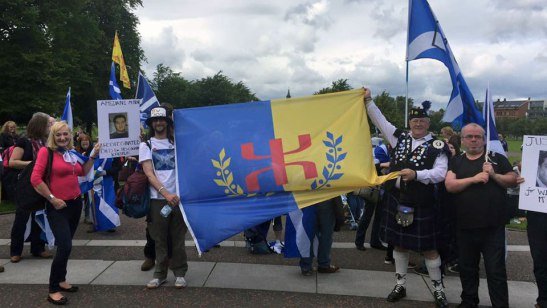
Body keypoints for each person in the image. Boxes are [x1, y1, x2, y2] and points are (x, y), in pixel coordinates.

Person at [364, 88, 450, 307]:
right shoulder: (399, 138)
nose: (417, 124)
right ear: (409, 122)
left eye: (422, 120)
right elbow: (380, 121)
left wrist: (417, 175)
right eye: (414, 120)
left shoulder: (437, 146)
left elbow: (440, 173)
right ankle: (400, 285)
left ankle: (438, 289)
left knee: (430, 248)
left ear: (428, 123)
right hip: (398, 200)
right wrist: (368, 100)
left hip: (423, 203)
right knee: (399, 246)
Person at [445, 123, 517, 308]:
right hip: (464, 225)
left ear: (484, 139)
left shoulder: (497, 159)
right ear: (462, 140)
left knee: (495, 271)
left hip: (492, 227)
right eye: (469, 136)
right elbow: (450, 186)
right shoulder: (457, 161)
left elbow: (511, 180)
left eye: (478, 136)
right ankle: (469, 301)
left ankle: (500, 304)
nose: (474, 139)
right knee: (467, 269)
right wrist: (474, 179)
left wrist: (493, 175)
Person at [31, 121, 99, 305]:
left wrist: (93, 156)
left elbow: (82, 171)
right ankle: (53, 289)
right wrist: (52, 198)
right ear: (53, 136)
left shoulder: (70, 154)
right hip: (57, 207)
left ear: (70, 135)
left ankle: (61, 280)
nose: (62, 138)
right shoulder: (46, 152)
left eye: (65, 134)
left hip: (75, 204)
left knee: (65, 246)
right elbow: (35, 179)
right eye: (58, 135)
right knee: (65, 245)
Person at [139, 106, 188, 289]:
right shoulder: (146, 145)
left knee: (178, 238)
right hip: (158, 199)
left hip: (179, 199)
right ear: (152, 123)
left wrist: (176, 194)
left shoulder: (177, 143)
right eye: (155, 120)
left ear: (167, 122)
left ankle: (180, 273)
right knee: (159, 239)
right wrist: (166, 193)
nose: (159, 123)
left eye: (162, 120)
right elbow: (149, 174)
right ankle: (160, 274)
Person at [8, 113, 53, 262]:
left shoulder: (46, 142)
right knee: (22, 217)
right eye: (48, 125)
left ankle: (38, 247)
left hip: (41, 184)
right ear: (40, 126)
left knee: (39, 215)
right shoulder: (24, 141)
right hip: (25, 186)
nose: (50, 127)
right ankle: (15, 250)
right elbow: (12, 162)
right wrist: (35, 165)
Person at [355, 137, 389, 251]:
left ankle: (375, 241)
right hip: (375, 186)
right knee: (367, 215)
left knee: (379, 216)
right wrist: (385, 165)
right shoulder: (380, 149)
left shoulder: (384, 149)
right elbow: (373, 167)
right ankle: (359, 241)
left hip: (383, 187)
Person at [300, 197, 342, 276]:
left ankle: (306, 266)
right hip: (326, 198)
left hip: (307, 199)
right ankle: (324, 264)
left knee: (307, 235)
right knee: (326, 235)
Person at [76, 133, 94, 224]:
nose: (85, 142)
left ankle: (89, 216)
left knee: (88, 197)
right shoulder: (76, 152)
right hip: (79, 179)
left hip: (91, 178)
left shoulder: (94, 152)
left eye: (86, 140)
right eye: (82, 141)